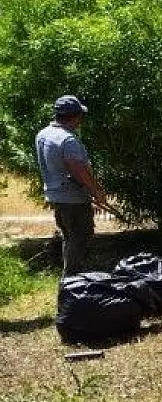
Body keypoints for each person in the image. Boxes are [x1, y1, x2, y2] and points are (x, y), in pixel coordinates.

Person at [34, 95, 107, 276]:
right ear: (74, 117)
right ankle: (73, 281)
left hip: (56, 195)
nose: (80, 121)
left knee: (69, 237)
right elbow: (78, 170)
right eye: (79, 116)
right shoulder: (68, 140)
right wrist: (96, 191)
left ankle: (71, 281)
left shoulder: (43, 134)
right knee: (80, 237)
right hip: (73, 198)